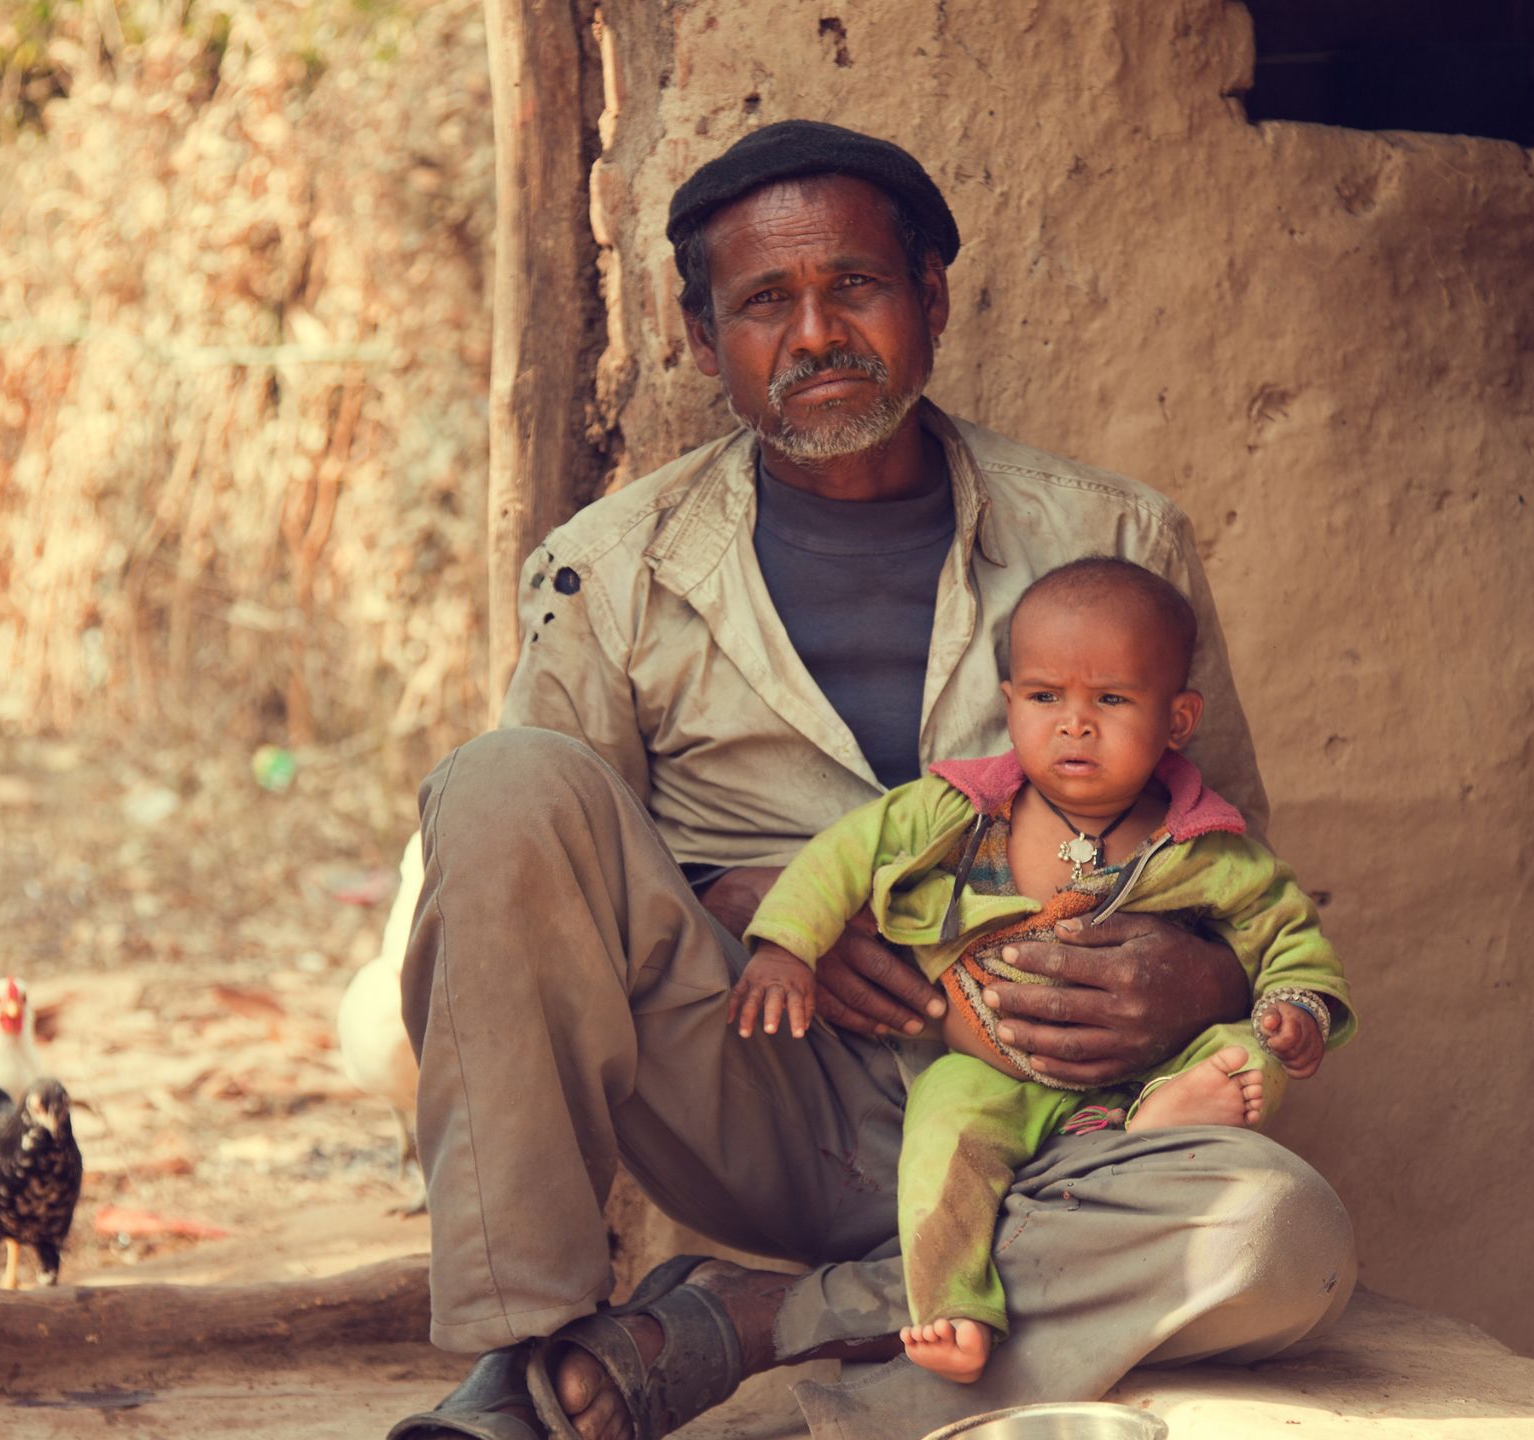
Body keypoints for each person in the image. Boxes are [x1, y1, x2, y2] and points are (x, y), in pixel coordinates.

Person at [390, 120, 1355, 1440]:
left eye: (853, 286)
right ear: (695, 333)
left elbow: (1234, 865)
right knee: (502, 783)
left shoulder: (1111, 537)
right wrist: (749, 905)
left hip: (1049, 1118)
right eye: (764, 303)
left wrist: (1190, 980)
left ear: (932, 299)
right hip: (753, 1084)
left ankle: (750, 1327)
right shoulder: (606, 571)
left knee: (1281, 1236)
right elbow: (560, 877)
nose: (814, 336)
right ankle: (523, 1359)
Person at [730, 556, 1356, 1385]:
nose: (1075, 725)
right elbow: (842, 858)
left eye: (1112, 699)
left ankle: (1160, 1119)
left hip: (1145, 1076)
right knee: (943, 1139)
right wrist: (784, 946)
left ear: (1178, 719)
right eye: (1045, 697)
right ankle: (952, 1306)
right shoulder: (954, 810)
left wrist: (1297, 1010)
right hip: (987, 1072)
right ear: (1009, 704)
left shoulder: (1209, 848)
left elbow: (1286, 933)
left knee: (1248, 1053)